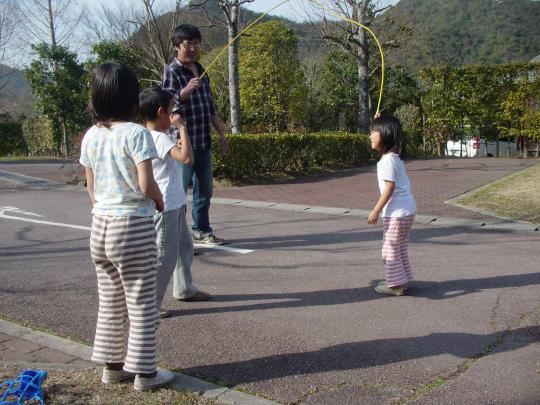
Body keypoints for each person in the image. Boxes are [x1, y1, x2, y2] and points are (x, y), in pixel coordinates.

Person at [80, 62, 174, 391]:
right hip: (132, 226)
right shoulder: (136, 134)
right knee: (142, 301)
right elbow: (146, 184)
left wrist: (103, 208)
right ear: (132, 98)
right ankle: (146, 374)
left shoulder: (91, 135)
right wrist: (159, 201)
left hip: (100, 227)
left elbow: (90, 188)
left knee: (111, 300)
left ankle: (111, 367)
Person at [139, 87, 211, 317]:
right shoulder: (158, 137)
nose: (174, 115)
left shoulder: (152, 135)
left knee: (184, 248)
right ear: (161, 112)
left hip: (174, 201)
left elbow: (180, 151)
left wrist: (179, 135)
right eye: (171, 111)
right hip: (165, 204)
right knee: (165, 255)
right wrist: (181, 128)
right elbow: (186, 158)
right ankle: (151, 303)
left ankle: (184, 288)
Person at [162, 23, 228, 246]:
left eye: (196, 43)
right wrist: (185, 91)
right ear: (176, 46)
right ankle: (177, 237)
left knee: (205, 190)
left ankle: (201, 230)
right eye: (188, 44)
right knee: (178, 193)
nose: (193, 48)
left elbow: (210, 106)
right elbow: (168, 106)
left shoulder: (201, 70)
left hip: (203, 140)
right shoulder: (171, 71)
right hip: (182, 144)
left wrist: (221, 133)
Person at [367, 115, 417, 296]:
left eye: (373, 132)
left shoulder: (387, 161)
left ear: (386, 134)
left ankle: (395, 286)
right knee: (399, 247)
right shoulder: (394, 157)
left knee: (389, 249)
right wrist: (377, 121)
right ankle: (400, 280)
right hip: (407, 211)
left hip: (396, 213)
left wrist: (375, 210)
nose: (370, 136)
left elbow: (389, 188)